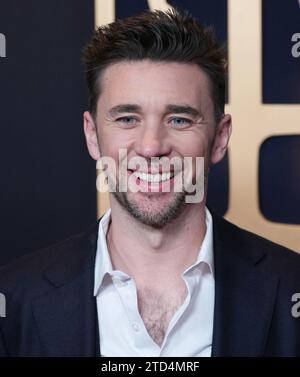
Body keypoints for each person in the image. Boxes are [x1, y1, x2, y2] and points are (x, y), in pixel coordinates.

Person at [0, 8, 300, 357]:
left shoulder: (290, 289)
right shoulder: (14, 300)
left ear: (219, 138)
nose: (151, 146)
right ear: (92, 135)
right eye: (127, 118)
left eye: (179, 119)